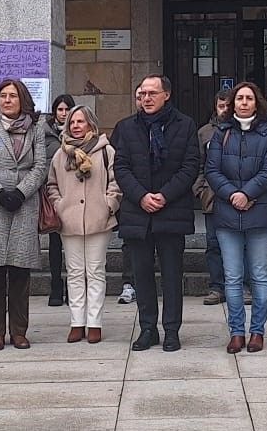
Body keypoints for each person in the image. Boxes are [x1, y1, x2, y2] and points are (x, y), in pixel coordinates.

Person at [112, 74, 200, 352]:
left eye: (152, 93)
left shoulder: (185, 125)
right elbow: (121, 167)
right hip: (137, 212)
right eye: (142, 94)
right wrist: (141, 196)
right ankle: (147, 328)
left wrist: (164, 195)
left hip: (171, 210)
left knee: (172, 276)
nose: (146, 98)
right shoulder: (126, 127)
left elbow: (190, 166)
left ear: (166, 95)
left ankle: (171, 330)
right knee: (141, 275)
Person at [0, 78, 50, 351]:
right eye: (3, 96)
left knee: (20, 273)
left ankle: (19, 331)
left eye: (13, 96)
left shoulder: (36, 128)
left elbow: (40, 166)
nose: (7, 100)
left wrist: (20, 192)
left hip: (24, 205)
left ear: (23, 100)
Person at [205, 80, 267, 353]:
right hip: (227, 214)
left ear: (256, 103)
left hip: (260, 212)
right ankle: (236, 332)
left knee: (259, 275)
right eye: (239, 98)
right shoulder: (220, 134)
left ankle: (257, 331)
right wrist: (232, 195)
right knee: (233, 276)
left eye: (249, 98)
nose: (244, 102)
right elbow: (212, 170)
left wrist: (247, 194)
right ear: (232, 104)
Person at [46, 104, 120, 343]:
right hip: (69, 221)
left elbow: (115, 182)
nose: (76, 126)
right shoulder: (61, 154)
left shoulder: (106, 150)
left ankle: (94, 322)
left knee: (96, 271)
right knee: (75, 272)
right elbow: (51, 185)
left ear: (90, 124)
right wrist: (59, 206)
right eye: (72, 122)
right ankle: (77, 322)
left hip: (99, 219)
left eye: (80, 121)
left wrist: (109, 204)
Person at [196, 89, 232, 307]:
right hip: (212, 195)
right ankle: (217, 287)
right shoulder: (204, 133)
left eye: (228, 106)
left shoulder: (243, 131)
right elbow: (198, 164)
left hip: (238, 194)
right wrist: (200, 190)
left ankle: (243, 285)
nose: (225, 110)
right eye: (221, 106)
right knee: (213, 243)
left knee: (241, 243)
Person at [45, 92, 77, 307]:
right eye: (60, 109)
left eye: (67, 109)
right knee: (55, 243)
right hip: (54, 194)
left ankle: (75, 287)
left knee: (75, 243)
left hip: (76, 194)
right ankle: (56, 285)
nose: (64, 114)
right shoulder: (45, 134)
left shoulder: (80, 132)